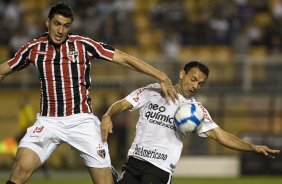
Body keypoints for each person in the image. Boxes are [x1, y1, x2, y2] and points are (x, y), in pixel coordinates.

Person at [0, 2, 178, 184]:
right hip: (48, 122)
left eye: (66, 25)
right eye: (57, 24)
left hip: (82, 121)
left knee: (104, 182)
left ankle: (109, 172)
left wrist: (160, 75)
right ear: (47, 23)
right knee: (20, 169)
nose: (61, 30)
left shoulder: (83, 45)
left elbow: (124, 59)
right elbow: (3, 70)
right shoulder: (34, 49)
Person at [101, 61, 280, 184]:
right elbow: (123, 103)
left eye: (200, 84)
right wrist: (108, 115)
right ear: (182, 74)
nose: (195, 86)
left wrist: (253, 147)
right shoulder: (152, 91)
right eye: (193, 79)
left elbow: (220, 135)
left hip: (159, 167)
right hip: (135, 159)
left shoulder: (196, 111)